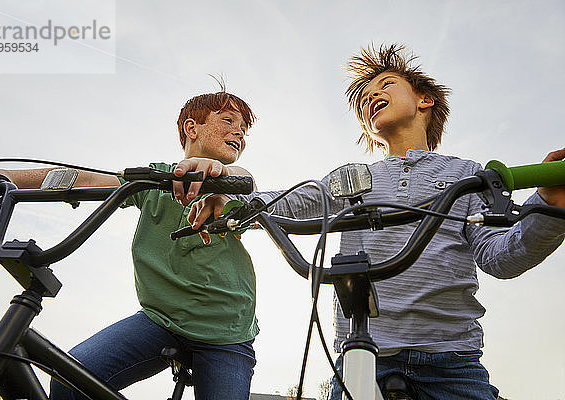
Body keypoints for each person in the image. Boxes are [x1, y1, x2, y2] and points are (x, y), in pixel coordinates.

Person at [178, 44, 565, 400]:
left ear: (424, 100)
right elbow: (290, 204)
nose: (371, 97)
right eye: (364, 99)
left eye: (386, 85)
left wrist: (549, 206)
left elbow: (502, 257)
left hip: (449, 360)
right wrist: (232, 200)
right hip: (360, 356)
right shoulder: (352, 178)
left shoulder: (466, 174)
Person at [0, 91, 259, 400]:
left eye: (244, 129)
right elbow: (87, 180)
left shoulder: (233, 189)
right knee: (68, 381)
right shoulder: (154, 179)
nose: (239, 132)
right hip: (160, 319)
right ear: (191, 128)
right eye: (228, 120)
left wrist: (222, 175)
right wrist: (10, 176)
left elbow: (247, 180)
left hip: (227, 334)